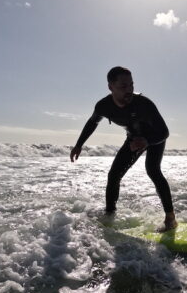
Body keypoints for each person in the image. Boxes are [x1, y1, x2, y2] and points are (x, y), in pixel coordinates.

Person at [70, 66, 177, 232]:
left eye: (131, 85)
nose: (129, 90)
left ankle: (170, 219)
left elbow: (164, 132)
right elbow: (93, 122)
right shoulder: (104, 106)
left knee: (153, 170)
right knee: (114, 175)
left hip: (154, 137)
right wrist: (79, 145)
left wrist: (147, 141)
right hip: (133, 139)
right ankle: (110, 215)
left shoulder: (144, 104)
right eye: (123, 86)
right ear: (110, 87)